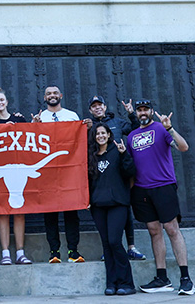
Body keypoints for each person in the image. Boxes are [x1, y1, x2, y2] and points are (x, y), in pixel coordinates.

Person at [126, 99, 195, 296]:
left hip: (163, 186)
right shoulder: (131, 136)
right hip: (141, 190)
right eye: (139, 110)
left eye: (145, 109)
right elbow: (131, 168)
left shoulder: (161, 129)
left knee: (172, 229)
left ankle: (185, 278)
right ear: (137, 114)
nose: (142, 112)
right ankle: (162, 278)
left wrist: (170, 128)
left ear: (151, 111)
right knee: (154, 231)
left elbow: (183, 147)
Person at [31, 85, 90, 263]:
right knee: (50, 214)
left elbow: (79, 142)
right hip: (47, 172)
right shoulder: (40, 118)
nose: (52, 96)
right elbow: (33, 145)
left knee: (71, 213)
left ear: (61, 96)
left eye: (55, 93)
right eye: (49, 93)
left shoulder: (72, 116)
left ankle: (73, 250)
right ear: (44, 97)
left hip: (68, 171)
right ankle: (54, 251)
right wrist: (34, 127)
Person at [86, 95, 145, 262]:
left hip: (120, 169)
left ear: (105, 107)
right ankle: (110, 248)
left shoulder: (117, 122)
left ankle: (131, 247)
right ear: (90, 110)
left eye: (100, 105)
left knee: (124, 207)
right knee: (106, 215)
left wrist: (132, 113)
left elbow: (135, 129)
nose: (97, 108)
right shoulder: (88, 126)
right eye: (94, 106)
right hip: (100, 173)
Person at [88, 123, 136, 296]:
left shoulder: (118, 151)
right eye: (97, 133)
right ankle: (112, 283)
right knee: (106, 245)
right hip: (98, 205)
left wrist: (124, 154)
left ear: (109, 135)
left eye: (103, 133)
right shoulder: (91, 156)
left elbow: (130, 171)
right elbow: (87, 181)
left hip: (118, 203)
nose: (100, 136)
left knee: (115, 242)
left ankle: (127, 283)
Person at [0, 87, 32, 265]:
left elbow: (32, 138)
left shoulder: (19, 120)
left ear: (6, 102)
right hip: (2, 171)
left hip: (20, 171)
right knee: (2, 212)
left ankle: (20, 252)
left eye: (1, 100)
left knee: (20, 212)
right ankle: (6, 252)